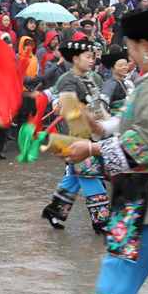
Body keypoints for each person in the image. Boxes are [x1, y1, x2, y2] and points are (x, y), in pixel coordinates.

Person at [61, 3, 148, 294]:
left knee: (115, 282)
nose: (130, 55)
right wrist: (101, 127)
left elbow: (141, 146)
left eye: (131, 47)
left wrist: (91, 149)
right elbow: (136, 122)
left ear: (146, 47)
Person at [41, 37, 109, 233]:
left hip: (96, 132)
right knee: (89, 174)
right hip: (78, 134)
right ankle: (101, 221)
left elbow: (100, 105)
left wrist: (107, 125)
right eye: (88, 57)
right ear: (76, 58)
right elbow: (67, 108)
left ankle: (54, 211)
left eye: (93, 57)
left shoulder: (95, 77)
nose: (92, 60)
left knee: (74, 176)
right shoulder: (67, 80)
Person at [100, 46, 133, 116]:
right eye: (120, 65)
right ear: (112, 68)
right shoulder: (110, 84)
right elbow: (102, 104)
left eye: (126, 65)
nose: (124, 67)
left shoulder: (128, 82)